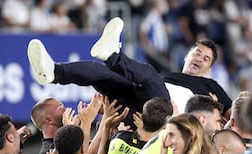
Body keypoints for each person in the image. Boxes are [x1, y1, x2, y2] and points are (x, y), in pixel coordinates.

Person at [27, 17, 232, 128]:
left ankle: (113, 56)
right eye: (197, 53)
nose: (199, 59)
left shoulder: (210, 87)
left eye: (205, 59)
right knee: (101, 73)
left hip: (167, 114)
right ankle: (53, 72)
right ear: (187, 55)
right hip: (136, 105)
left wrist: (216, 107)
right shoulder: (168, 75)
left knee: (150, 74)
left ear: (209, 69)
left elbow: (235, 115)